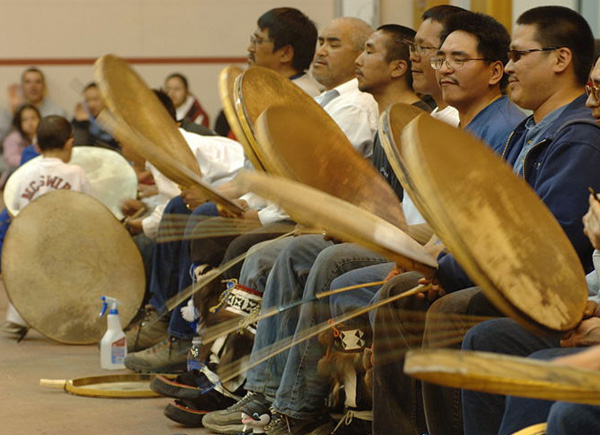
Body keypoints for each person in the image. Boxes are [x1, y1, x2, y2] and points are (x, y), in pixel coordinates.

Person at [1, 115, 93, 335]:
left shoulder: (25, 173)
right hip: (66, 244)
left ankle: (18, 315)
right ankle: (74, 316)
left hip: (29, 243)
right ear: (70, 142)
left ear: (37, 145)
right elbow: (93, 211)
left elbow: (13, 210)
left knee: (29, 274)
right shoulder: (76, 173)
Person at [248, 7, 322, 97]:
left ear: (286, 53)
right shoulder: (276, 88)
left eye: (259, 41)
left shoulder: (299, 96)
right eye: (253, 40)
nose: (250, 48)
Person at [0, 68, 67, 143]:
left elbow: (63, 141)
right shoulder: (13, 111)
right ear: (22, 86)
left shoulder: (57, 112)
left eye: (37, 82)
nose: (33, 86)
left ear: (44, 86)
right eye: (28, 82)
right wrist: (10, 113)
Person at [71, 82, 119, 150]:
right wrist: (82, 123)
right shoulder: (80, 119)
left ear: (106, 99)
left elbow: (114, 147)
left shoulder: (117, 120)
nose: (91, 104)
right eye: (87, 100)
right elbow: (77, 148)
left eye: (95, 99)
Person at [2, 103, 40, 173]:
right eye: (25, 120)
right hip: (17, 173)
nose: (30, 123)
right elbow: (11, 159)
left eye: (33, 118)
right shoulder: (12, 138)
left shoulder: (44, 136)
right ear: (19, 122)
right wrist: (32, 161)